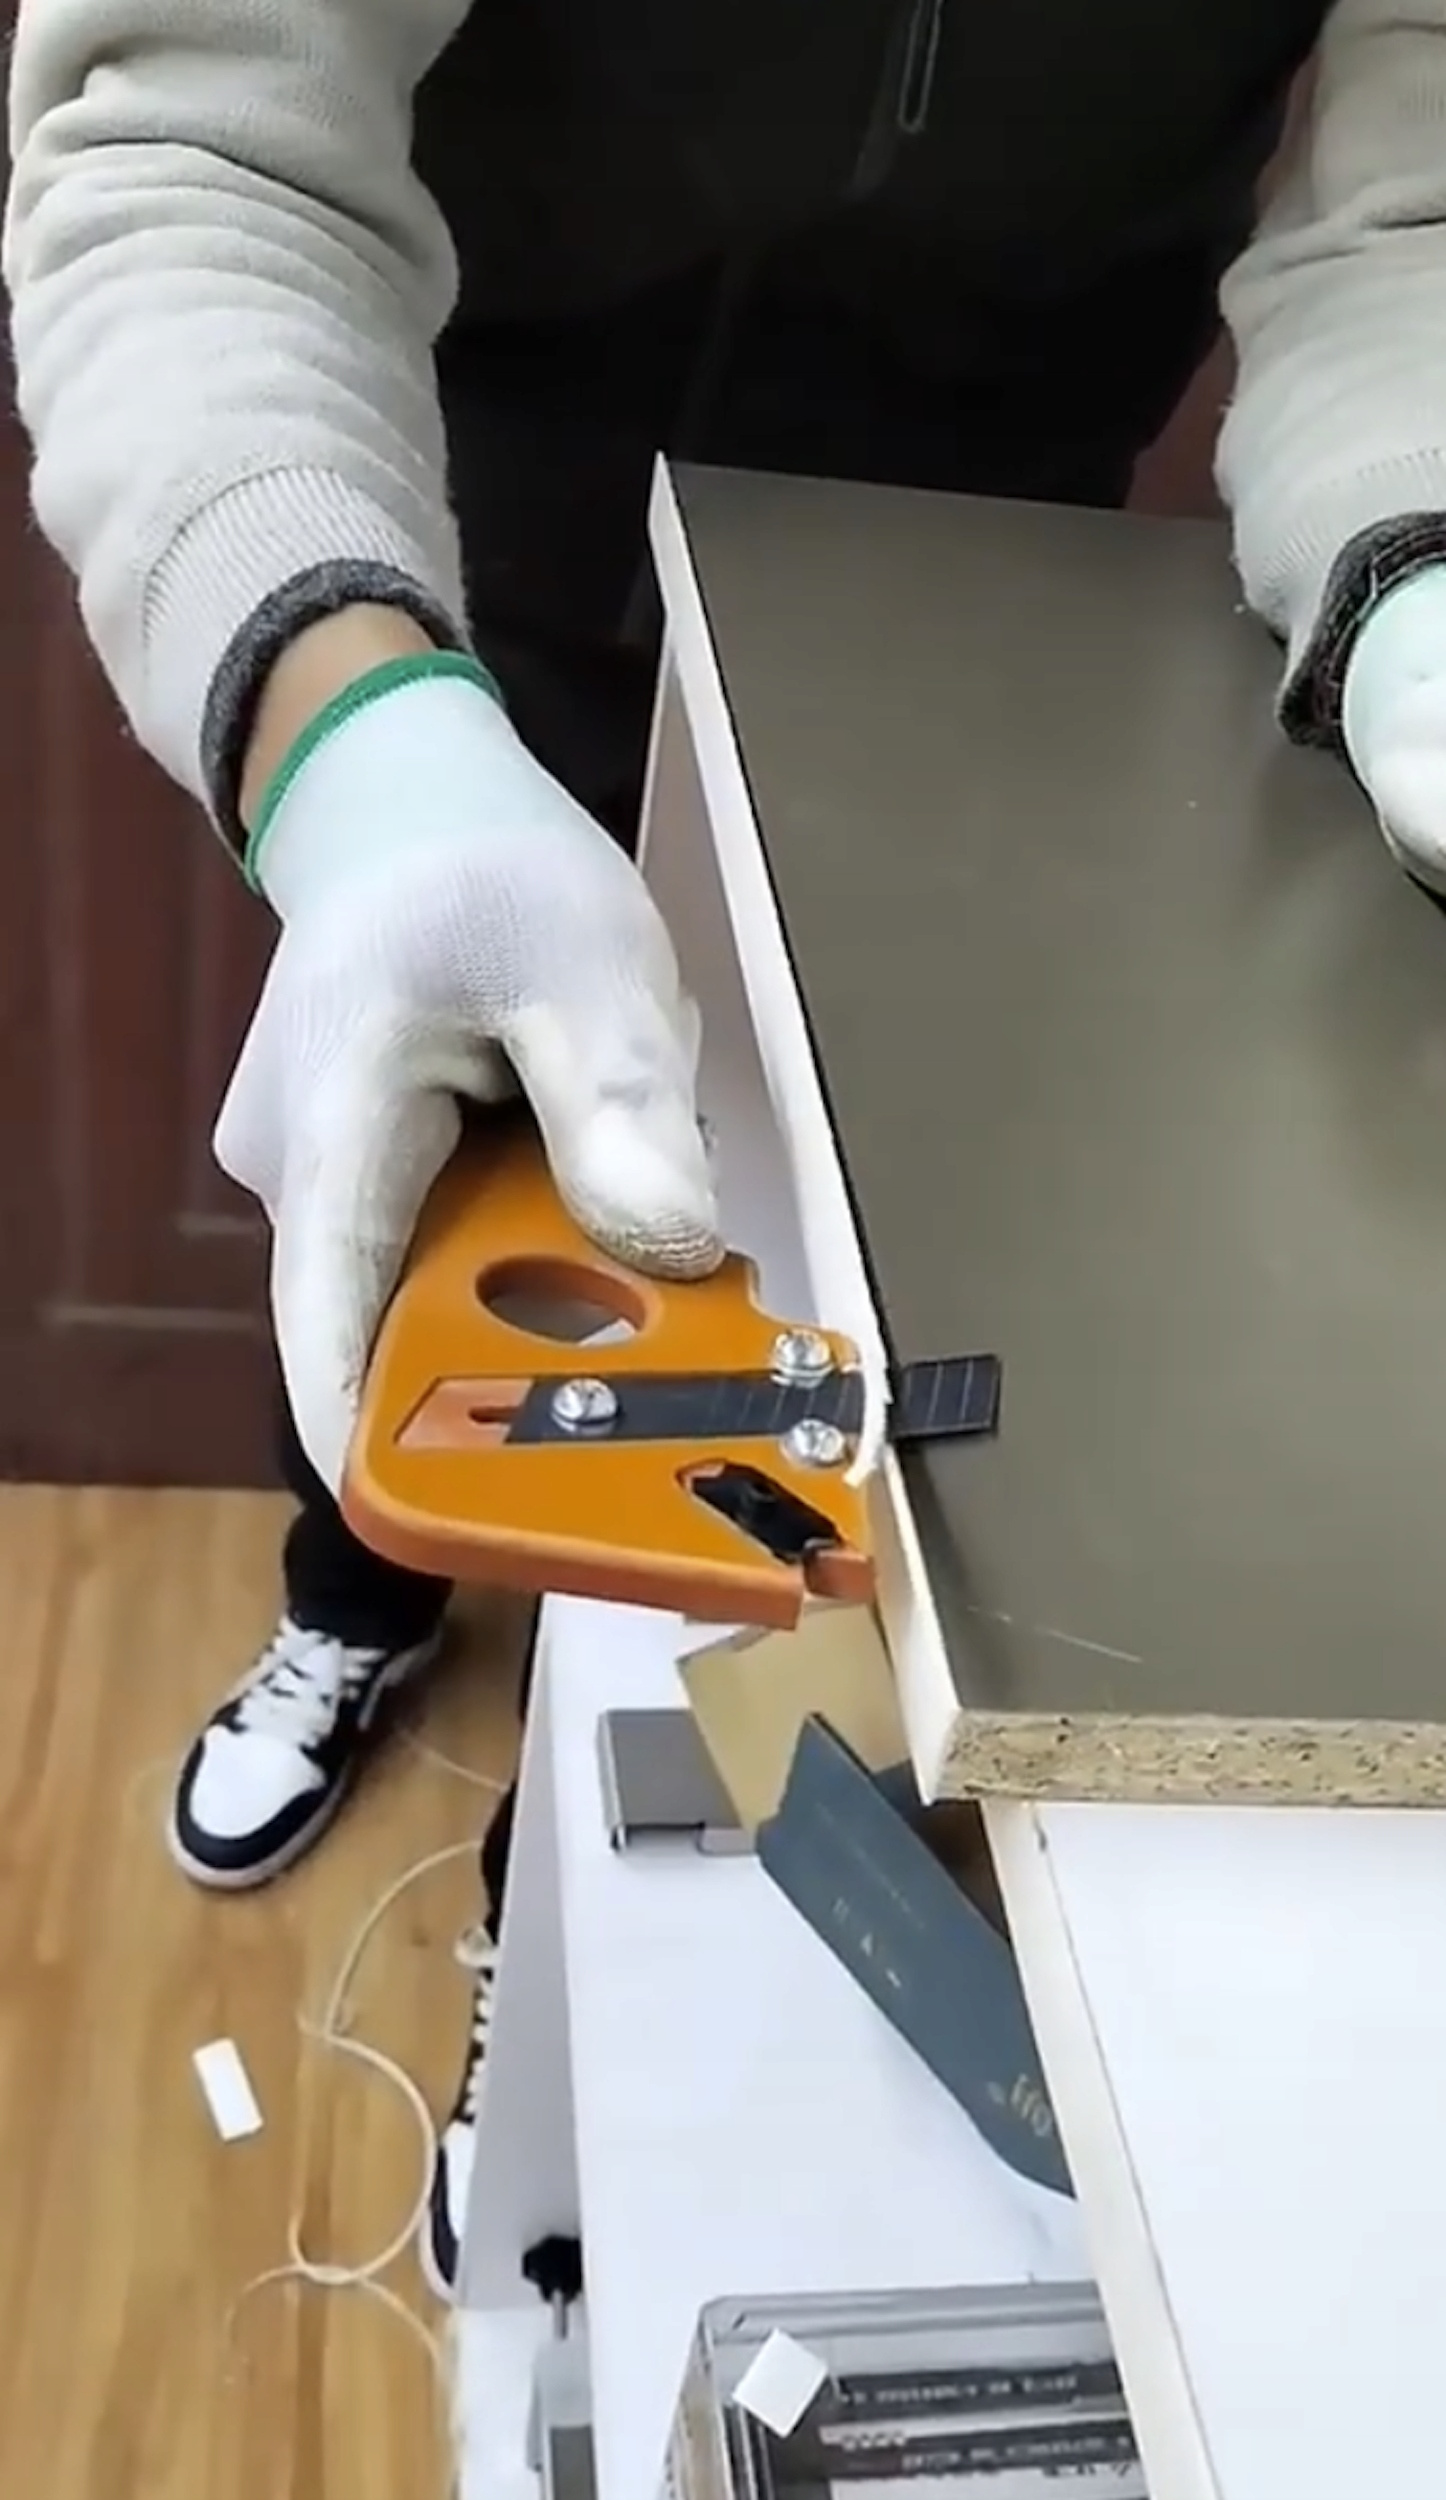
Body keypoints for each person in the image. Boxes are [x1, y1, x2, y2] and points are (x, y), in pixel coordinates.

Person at [8, 0, 1446, 2297]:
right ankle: (349, 1606)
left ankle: (537, 1912)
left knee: (742, 1354)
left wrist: (1419, 560)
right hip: (451, 550)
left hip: (940, 609)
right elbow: (199, 149)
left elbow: (1413, 220)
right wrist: (353, 735)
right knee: (408, 1199)